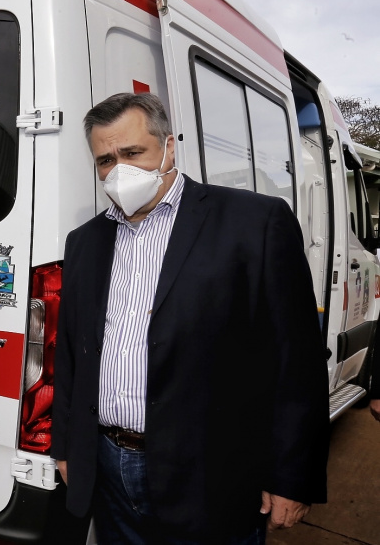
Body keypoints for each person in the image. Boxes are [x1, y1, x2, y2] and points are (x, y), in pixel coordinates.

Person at [51, 92, 329, 543]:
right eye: (105, 160)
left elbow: (295, 362)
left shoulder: (253, 223)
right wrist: (67, 447)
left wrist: (291, 476)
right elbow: (72, 353)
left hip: (210, 477)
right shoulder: (85, 241)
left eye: (132, 152)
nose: (118, 169)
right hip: (107, 469)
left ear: (169, 147)